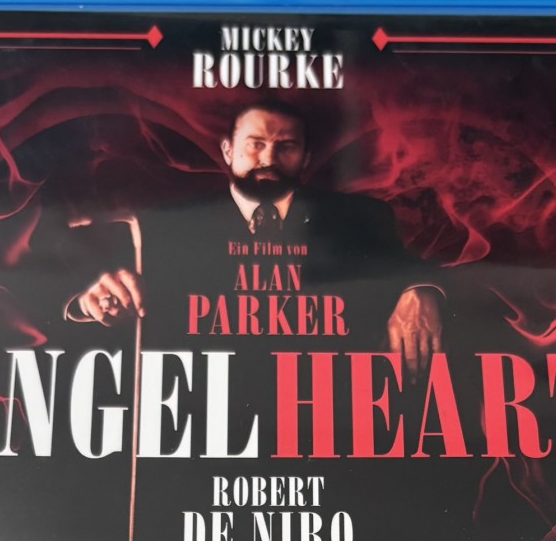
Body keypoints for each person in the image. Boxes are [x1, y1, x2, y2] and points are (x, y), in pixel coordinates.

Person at [67, 98, 446, 381]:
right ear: (228, 151)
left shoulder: (362, 216)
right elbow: (83, 295)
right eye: (256, 144)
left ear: (305, 157)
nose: (269, 159)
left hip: (328, 413)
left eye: (286, 146)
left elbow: (408, 265)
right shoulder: (162, 225)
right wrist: (90, 303)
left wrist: (419, 288)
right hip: (205, 414)